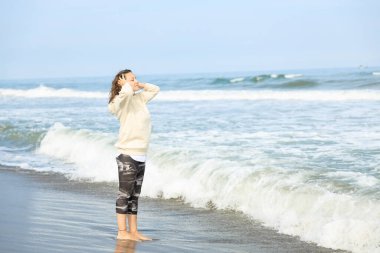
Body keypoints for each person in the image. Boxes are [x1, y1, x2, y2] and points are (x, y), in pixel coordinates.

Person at [108, 69, 160, 241]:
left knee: (134, 196)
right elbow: (123, 97)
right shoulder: (119, 102)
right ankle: (122, 232)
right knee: (124, 195)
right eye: (132, 79)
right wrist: (125, 86)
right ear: (121, 82)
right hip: (128, 154)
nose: (136, 81)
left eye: (136, 78)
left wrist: (140, 85)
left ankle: (134, 232)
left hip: (141, 154)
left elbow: (155, 89)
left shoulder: (139, 99)